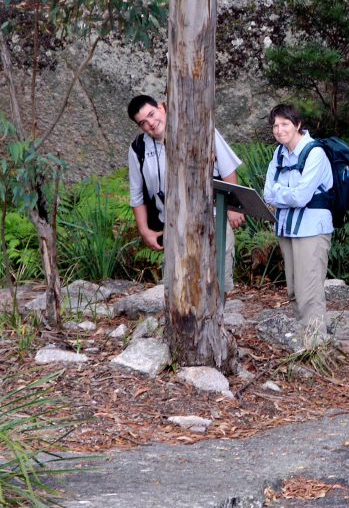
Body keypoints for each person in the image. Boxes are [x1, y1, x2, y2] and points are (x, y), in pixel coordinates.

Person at [126, 94, 245, 293]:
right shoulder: (138, 149)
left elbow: (228, 169)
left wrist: (233, 208)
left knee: (219, 283)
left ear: (162, 108)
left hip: (212, 218)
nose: (151, 124)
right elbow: (137, 194)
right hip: (173, 225)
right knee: (177, 287)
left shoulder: (198, 127)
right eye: (143, 123)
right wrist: (145, 231)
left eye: (152, 114)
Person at [262, 104, 334, 348]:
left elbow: (302, 197)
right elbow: (267, 194)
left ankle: (316, 344)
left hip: (312, 229)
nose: (279, 130)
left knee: (309, 290)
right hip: (288, 229)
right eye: (275, 125)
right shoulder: (279, 154)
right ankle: (306, 338)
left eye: (285, 124)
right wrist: (287, 193)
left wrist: (283, 192)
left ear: (298, 125)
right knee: (293, 288)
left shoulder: (315, 153)